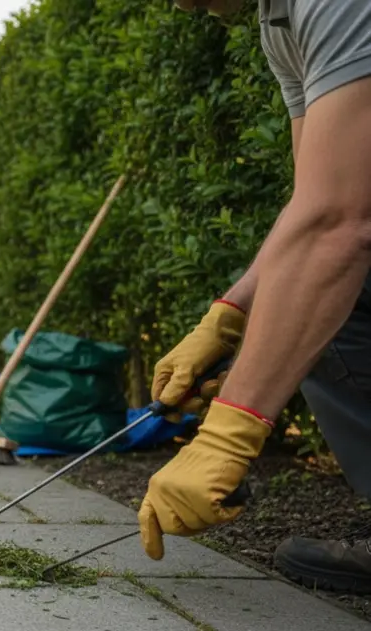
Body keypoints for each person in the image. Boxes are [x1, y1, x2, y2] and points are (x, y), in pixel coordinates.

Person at [140, 0, 371, 593]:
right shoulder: (280, 22)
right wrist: (228, 316)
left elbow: (339, 226)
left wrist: (228, 434)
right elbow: (313, 205)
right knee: (306, 298)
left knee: (323, 299)